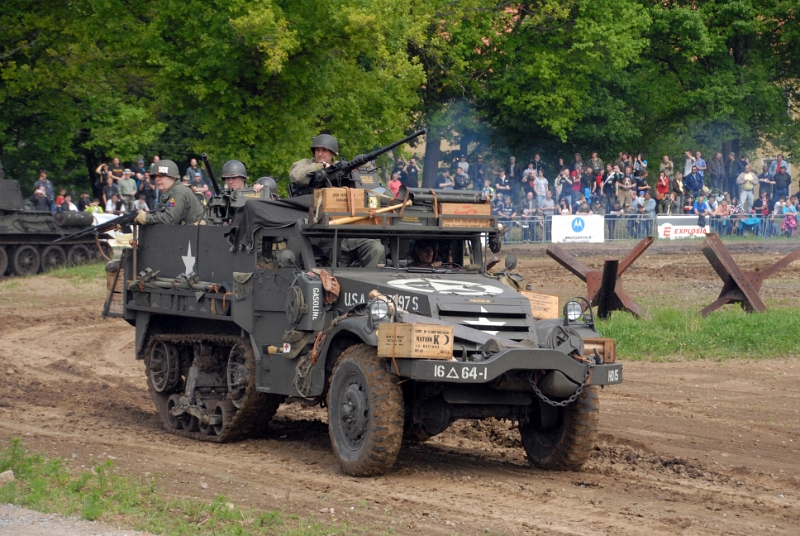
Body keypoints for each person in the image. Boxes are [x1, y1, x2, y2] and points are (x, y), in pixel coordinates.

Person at [289, 135, 385, 267]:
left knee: (373, 249)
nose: (320, 153)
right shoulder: (306, 164)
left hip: (338, 228)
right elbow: (296, 176)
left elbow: (366, 191)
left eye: (324, 150)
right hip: (309, 224)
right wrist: (320, 167)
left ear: (333, 153)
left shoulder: (341, 168)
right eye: (317, 150)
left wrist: (352, 173)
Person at [133, 159, 205, 226]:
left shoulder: (179, 192)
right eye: (155, 176)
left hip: (194, 235)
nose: (157, 179)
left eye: (161, 176)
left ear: (173, 177)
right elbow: (159, 213)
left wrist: (145, 218)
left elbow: (170, 219)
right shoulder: (170, 193)